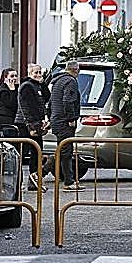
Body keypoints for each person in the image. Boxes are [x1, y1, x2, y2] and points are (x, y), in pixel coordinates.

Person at [15, 63, 51, 192]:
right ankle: (24, 180)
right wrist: (31, 125)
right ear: (30, 73)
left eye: (39, 72)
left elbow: (47, 97)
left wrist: (43, 83)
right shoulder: (27, 87)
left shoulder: (37, 86)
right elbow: (28, 108)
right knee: (28, 152)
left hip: (35, 122)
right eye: (35, 72)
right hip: (26, 124)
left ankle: (34, 179)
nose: (38, 75)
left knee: (37, 152)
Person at [49, 61, 83, 192]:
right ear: (76, 70)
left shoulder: (58, 81)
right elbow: (68, 101)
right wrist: (71, 118)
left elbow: (51, 102)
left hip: (57, 120)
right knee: (66, 152)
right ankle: (67, 181)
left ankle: (69, 180)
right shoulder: (71, 81)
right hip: (64, 122)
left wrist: (50, 116)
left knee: (63, 150)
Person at [0, 68, 19, 132]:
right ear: (5, 78)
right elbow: (11, 103)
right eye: (12, 76)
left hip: (12, 118)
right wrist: (12, 89)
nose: (14, 78)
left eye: (16, 76)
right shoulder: (1, 90)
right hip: (3, 119)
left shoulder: (17, 88)